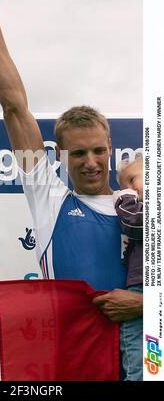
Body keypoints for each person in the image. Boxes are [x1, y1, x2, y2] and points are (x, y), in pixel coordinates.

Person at [0, 0, 142, 341]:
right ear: (60, 155)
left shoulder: (138, 205)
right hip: (75, 357)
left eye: (98, 151)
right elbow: (13, 106)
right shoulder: (50, 200)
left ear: (111, 148)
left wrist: (145, 305)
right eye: (79, 153)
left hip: (138, 360)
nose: (90, 162)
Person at [112, 156, 143, 380]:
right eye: (124, 187)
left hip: (143, 290)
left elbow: (134, 224)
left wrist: (125, 200)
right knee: (138, 363)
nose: (129, 189)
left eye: (133, 180)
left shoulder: (135, 208)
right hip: (137, 289)